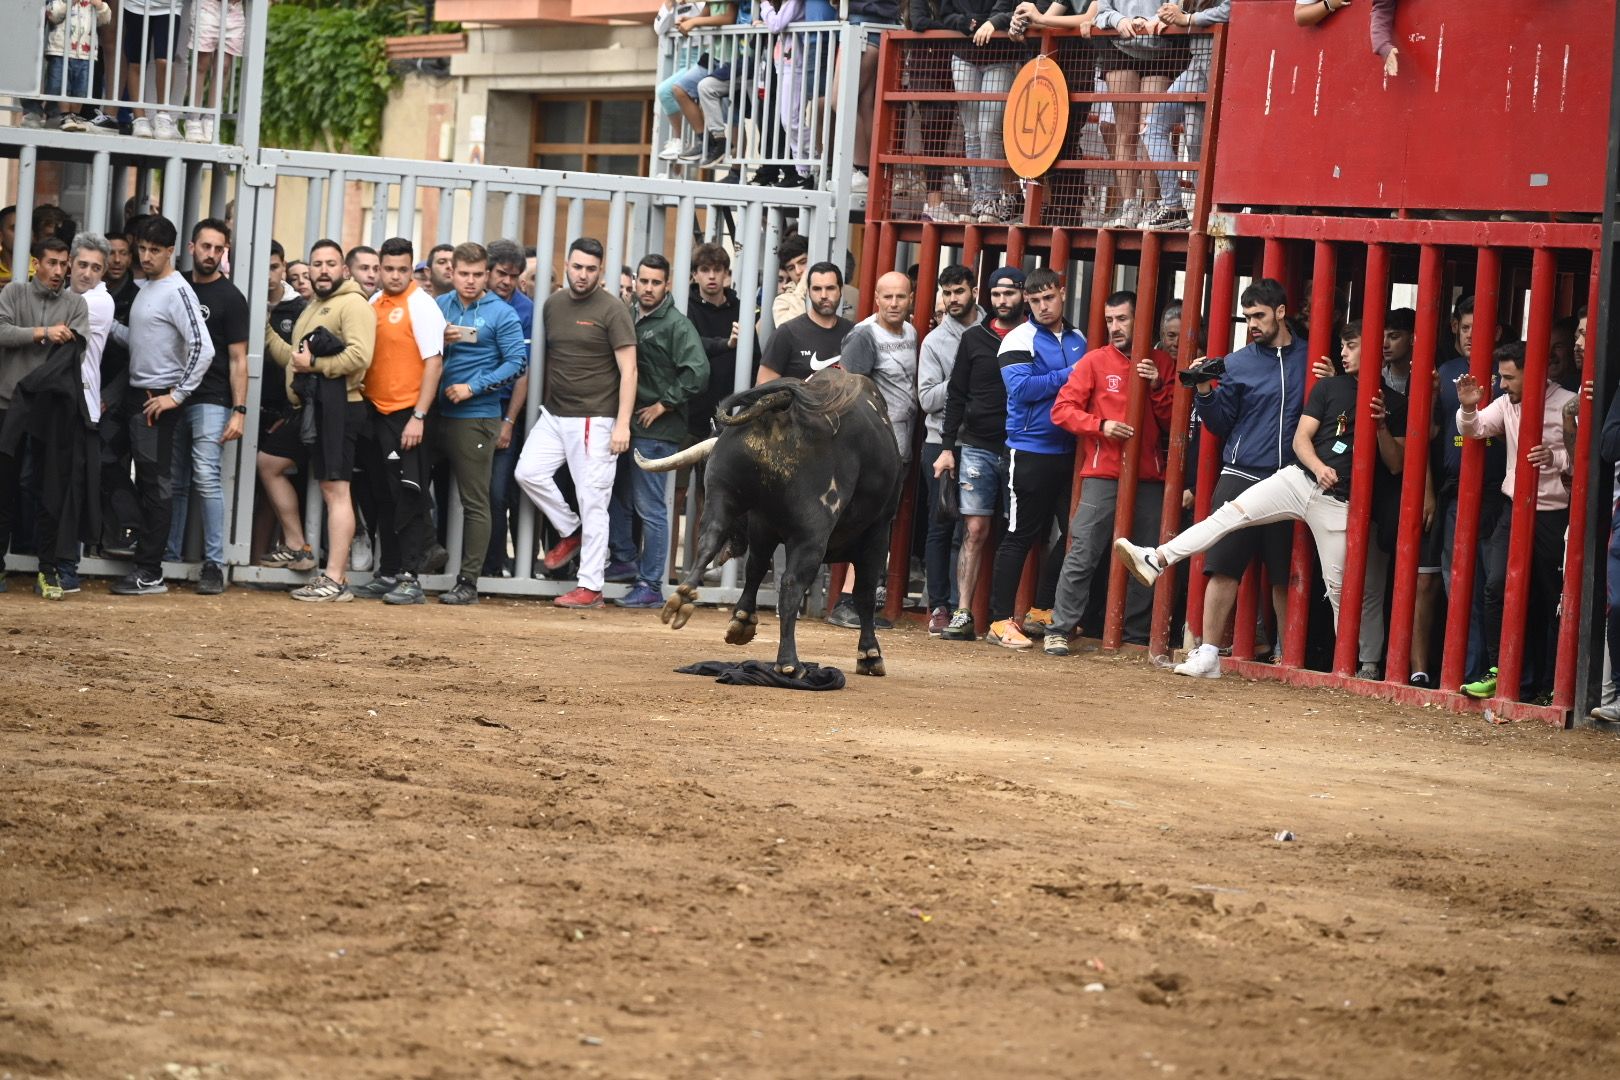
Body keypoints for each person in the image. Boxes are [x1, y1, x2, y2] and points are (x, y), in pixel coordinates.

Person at [1116, 322, 1405, 675]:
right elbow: (1301, 439)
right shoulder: (1329, 386)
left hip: (1339, 501)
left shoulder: (1396, 403)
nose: (1343, 353)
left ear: (1372, 349)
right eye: (1343, 346)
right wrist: (1318, 466)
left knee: (1339, 588)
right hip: (1299, 478)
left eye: (1352, 346)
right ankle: (1157, 557)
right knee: (1228, 514)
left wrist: (1379, 426)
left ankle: (1351, 669)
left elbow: (1395, 463)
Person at [1171, 277, 1308, 677]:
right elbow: (1219, 424)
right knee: (1223, 565)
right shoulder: (1237, 362)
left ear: (1281, 313)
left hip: (1291, 478)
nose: (1253, 323)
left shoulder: (1310, 357)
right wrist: (1205, 392)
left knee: (1286, 572)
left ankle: (1288, 655)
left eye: (1260, 315)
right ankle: (1209, 653)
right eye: (1247, 317)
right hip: (1241, 474)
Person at [1044, 290, 1175, 654]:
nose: (1114, 327)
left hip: (1149, 476)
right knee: (1083, 550)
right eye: (1109, 320)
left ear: (1141, 319)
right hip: (1102, 472)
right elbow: (1062, 410)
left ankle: (1132, 636)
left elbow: (1173, 424)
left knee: (1147, 557)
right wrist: (1100, 426)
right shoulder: (1094, 361)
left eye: (1122, 319)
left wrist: (1158, 386)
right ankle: (1060, 627)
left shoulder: (1162, 363)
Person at [514, 237, 638, 609]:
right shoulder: (552, 304)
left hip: (595, 418)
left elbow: (629, 371)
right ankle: (572, 530)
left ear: (600, 271)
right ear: (566, 265)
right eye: (577, 267)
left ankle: (591, 586)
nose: (582, 275)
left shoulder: (612, 310)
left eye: (590, 269)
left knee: (593, 501)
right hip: (555, 413)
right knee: (527, 472)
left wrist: (622, 424)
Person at [1456, 342, 1576, 701]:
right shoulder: (1507, 402)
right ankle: (1498, 670)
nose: (1504, 384)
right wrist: (1466, 406)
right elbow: (1475, 428)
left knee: (1546, 600)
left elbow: (1586, 457)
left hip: (1554, 515)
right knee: (1494, 586)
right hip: (1514, 508)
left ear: (1534, 372)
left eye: (1510, 377)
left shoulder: (1568, 402)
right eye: (1502, 376)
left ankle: (1546, 685)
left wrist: (1556, 457)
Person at [262, 238, 376, 602]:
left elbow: (360, 356)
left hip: (340, 406)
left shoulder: (353, 304)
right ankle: (297, 544)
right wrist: (264, 329)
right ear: (309, 270)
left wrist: (316, 365)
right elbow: (296, 358)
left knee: (335, 490)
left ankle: (336, 579)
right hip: (311, 407)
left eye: (330, 264)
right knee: (269, 462)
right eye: (317, 264)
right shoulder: (315, 306)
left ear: (343, 270)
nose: (323, 270)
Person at [109, 215, 213, 595]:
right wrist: (102, 325)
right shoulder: (149, 286)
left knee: (157, 485)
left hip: (157, 400)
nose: (146, 256)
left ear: (171, 251)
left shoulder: (177, 291)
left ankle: (150, 570)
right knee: (104, 456)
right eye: (143, 249)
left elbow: (204, 348)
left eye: (155, 250)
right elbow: (140, 340)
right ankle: (136, 529)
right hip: (136, 396)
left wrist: (177, 395)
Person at [982, 266, 1085, 649]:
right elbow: (1022, 389)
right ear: (1028, 301)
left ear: (1062, 292)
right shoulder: (1017, 338)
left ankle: (1041, 611)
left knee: (1073, 532)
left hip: (1069, 450)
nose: (1043, 306)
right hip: (1027, 450)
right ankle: (998, 620)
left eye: (1049, 297)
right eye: (1036, 300)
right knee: (1019, 536)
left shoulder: (1078, 337)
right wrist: (1073, 373)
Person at [427, 242, 529, 605]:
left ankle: (468, 580)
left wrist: (473, 387)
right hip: (432, 414)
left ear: (486, 275)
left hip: (476, 417)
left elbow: (518, 362)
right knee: (409, 482)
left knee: (476, 501)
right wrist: (437, 336)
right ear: (451, 273)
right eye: (463, 274)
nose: (470, 281)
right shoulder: (438, 306)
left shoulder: (501, 313)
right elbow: (415, 348)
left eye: (477, 274)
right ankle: (417, 558)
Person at [608, 253, 709, 609]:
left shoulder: (676, 325)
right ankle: (624, 560)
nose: (648, 288)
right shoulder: (629, 314)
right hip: (628, 425)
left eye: (655, 282)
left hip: (657, 430)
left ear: (668, 285)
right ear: (635, 281)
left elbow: (698, 372)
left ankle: (650, 583)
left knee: (651, 507)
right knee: (616, 496)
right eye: (643, 281)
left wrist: (663, 404)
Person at [348, 237, 445, 606]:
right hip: (376, 413)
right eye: (388, 268)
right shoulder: (374, 303)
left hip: (408, 414)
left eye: (402, 269)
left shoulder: (422, 305)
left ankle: (411, 577)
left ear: (412, 269)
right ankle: (389, 571)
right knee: (382, 496)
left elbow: (434, 363)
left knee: (409, 495)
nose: (394, 275)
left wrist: (419, 416)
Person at [933, 266, 1025, 641]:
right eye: (997, 295)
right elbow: (955, 396)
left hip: (1022, 447)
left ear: (1022, 295)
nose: (1003, 301)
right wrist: (946, 449)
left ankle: (1008, 617)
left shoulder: (1034, 337)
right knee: (974, 529)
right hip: (976, 446)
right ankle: (963, 612)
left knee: (1016, 532)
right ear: (987, 296)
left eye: (1009, 294)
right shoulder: (974, 338)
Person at [825, 270, 919, 628]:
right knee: (863, 523)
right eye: (887, 297)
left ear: (911, 298)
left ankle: (859, 602)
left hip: (900, 446)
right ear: (875, 299)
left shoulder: (910, 333)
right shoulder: (864, 336)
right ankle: (848, 602)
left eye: (901, 297)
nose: (894, 304)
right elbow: (849, 396)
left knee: (881, 524)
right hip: (871, 452)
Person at [0, 235, 90, 592]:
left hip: (52, 414)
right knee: (3, 489)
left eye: (63, 263)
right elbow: (1, 331)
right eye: (51, 262)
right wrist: (44, 333)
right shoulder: (13, 294)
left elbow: (77, 352)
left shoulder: (76, 304)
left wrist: (54, 338)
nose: (58, 270)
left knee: (49, 491)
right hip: (7, 405)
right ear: (37, 263)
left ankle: (48, 569)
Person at [164, 217, 248, 595]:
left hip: (212, 399)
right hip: (171, 395)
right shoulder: (174, 285)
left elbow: (238, 360)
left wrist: (240, 410)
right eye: (206, 246)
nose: (212, 254)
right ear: (192, 247)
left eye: (219, 249)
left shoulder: (231, 297)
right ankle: (168, 556)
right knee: (174, 481)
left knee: (206, 477)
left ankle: (213, 564)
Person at [916, 263, 980, 633]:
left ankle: (964, 608)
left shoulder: (993, 329)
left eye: (958, 291)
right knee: (941, 526)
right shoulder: (935, 341)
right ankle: (939, 606)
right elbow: (926, 398)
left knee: (971, 528)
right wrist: (963, 377)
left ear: (973, 290)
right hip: (939, 443)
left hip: (983, 442)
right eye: (947, 293)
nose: (952, 299)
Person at [1142, 2, 1227, 230]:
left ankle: (1206, 213)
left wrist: (1188, 19)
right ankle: (1175, 208)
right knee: (1155, 128)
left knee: (1201, 141)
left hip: (1225, 60)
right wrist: (1163, 17)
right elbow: (1175, 9)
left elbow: (1232, 9)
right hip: (1199, 63)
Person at [482, 238, 534, 578]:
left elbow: (523, 372)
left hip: (502, 415)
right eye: (502, 274)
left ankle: (493, 566)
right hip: (466, 412)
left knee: (498, 494)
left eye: (514, 276)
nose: (507, 282)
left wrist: (509, 421)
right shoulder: (470, 301)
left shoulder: (526, 309)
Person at [685, 241, 755, 438]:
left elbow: (755, 358)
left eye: (717, 269)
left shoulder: (741, 309)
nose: (712, 276)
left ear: (726, 273)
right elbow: (692, 345)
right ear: (694, 274)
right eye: (705, 270)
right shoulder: (685, 307)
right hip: (690, 417)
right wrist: (727, 344)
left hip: (731, 417)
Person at [23, 0, 111, 132]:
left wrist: (99, 5)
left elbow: (105, 19)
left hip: (85, 54)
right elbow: (52, 14)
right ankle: (60, 114)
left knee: (81, 90)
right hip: (60, 50)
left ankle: (73, 116)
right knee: (57, 86)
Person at [758, 261, 854, 381]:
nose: (824, 295)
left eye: (830, 288)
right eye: (817, 289)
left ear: (840, 291)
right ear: (808, 292)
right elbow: (763, 386)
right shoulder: (787, 333)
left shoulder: (854, 333)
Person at [119, 0, 183, 139]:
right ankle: (139, 118)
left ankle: (163, 116)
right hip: (136, 5)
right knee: (136, 62)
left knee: (164, 61)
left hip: (170, 6)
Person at [184, 0, 244, 143]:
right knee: (202, 63)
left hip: (234, 8)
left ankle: (211, 118)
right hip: (208, 5)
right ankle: (193, 118)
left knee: (224, 66)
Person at [1295, 0, 1400, 78]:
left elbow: (1382, 8)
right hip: (1342, 56)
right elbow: (1300, 15)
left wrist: (1382, 45)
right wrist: (1329, 3)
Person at [769, 234, 812, 331]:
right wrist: (801, 289)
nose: (798, 271)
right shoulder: (783, 301)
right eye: (791, 268)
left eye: (803, 262)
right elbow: (791, 332)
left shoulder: (832, 289)